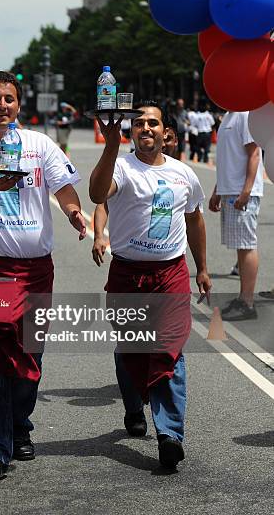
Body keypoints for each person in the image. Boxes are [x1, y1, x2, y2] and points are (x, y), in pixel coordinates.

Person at [0, 71, 86, 484]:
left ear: (19, 105)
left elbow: (63, 188)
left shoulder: (39, 144)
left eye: (9, 99)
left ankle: (19, 424)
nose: (3, 106)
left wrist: (75, 212)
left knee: (30, 352)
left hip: (36, 268)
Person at [89, 100, 211, 469]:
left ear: (166, 132)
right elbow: (97, 195)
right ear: (132, 130)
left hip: (171, 275)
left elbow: (195, 220)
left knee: (169, 350)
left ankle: (170, 433)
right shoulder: (123, 168)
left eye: (153, 123)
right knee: (132, 350)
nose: (145, 128)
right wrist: (110, 145)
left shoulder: (183, 174)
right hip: (128, 274)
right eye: (139, 122)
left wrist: (202, 269)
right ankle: (133, 406)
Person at [92, 125, 179, 266]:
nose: (166, 144)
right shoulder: (126, 167)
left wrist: (202, 268)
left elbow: (193, 218)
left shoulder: (183, 173)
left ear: (175, 141)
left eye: (169, 139)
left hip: (170, 268)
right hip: (127, 264)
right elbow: (102, 202)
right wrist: (99, 236)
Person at [208, 111, 263, 321]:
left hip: (242, 191)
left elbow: (254, 153)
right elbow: (227, 160)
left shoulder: (244, 115)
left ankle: (247, 302)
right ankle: (242, 298)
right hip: (230, 190)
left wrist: (246, 191)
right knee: (241, 244)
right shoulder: (228, 117)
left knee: (247, 244)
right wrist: (217, 190)